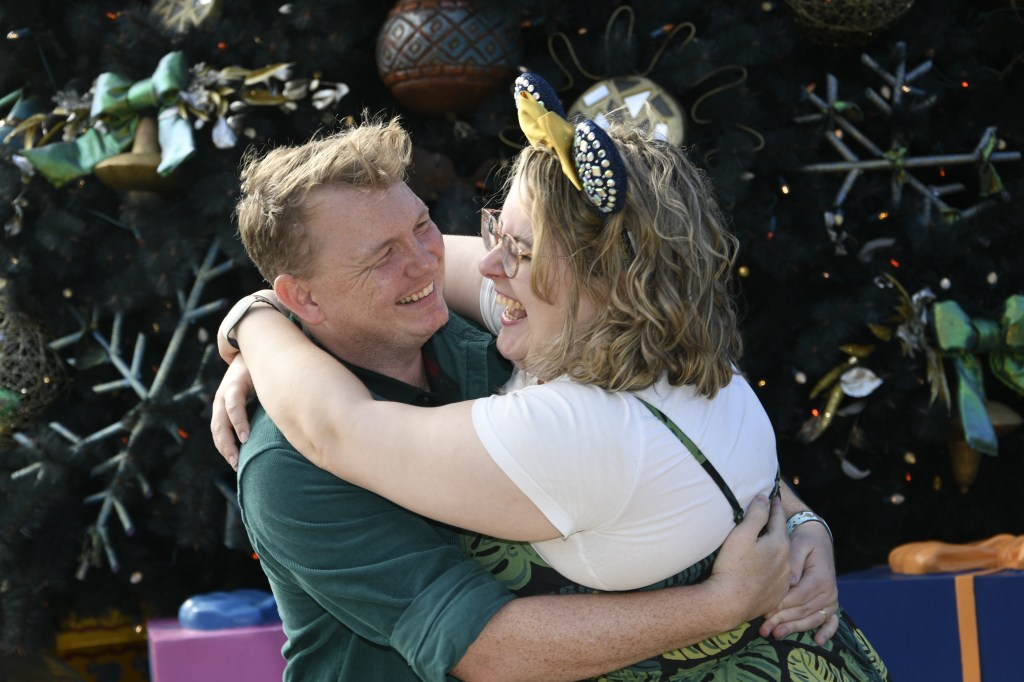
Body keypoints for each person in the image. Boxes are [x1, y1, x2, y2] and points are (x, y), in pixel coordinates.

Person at [211, 96, 849, 680]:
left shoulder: (513, 334)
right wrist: (726, 599)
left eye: (423, 226)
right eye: (381, 255)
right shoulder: (287, 467)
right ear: (305, 296)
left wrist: (798, 517)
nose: (430, 262)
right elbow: (488, 648)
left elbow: (677, 445)